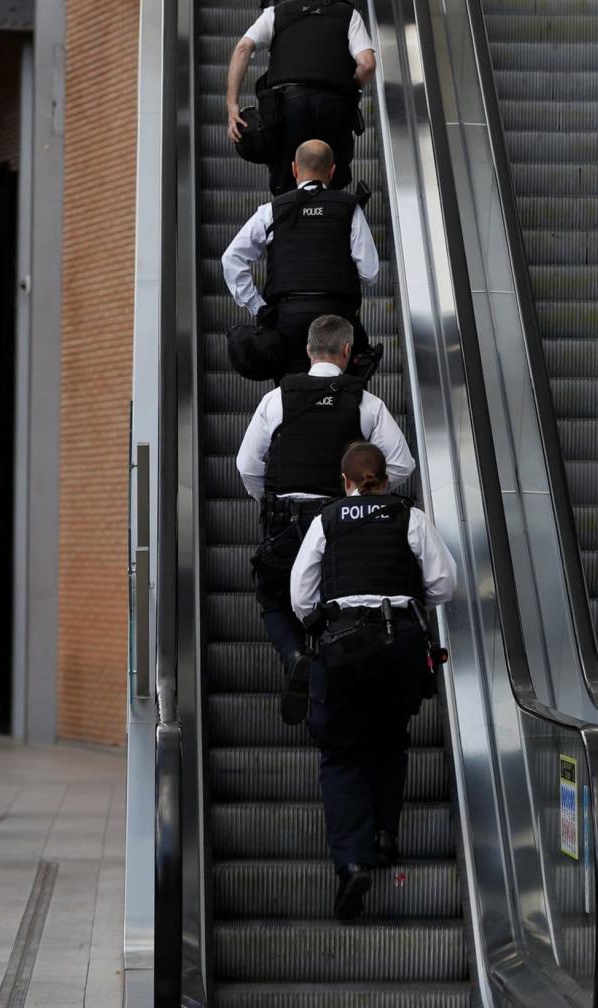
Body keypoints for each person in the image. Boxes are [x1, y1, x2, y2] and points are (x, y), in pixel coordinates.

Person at [290, 440, 456, 921]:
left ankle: (352, 861)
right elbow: (445, 585)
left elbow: (302, 597)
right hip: (400, 643)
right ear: (386, 478)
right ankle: (385, 836)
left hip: (343, 648)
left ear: (345, 481)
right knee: (390, 741)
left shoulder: (327, 521)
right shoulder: (411, 517)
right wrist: (404, 596)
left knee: (342, 756)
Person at [236, 316, 416, 726]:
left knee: (275, 597)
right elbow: (402, 464)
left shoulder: (277, 400)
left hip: (285, 524)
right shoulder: (366, 403)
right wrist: (361, 498)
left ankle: (295, 655)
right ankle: (335, 692)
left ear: (308, 350)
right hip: (343, 526)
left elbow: (246, 465)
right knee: (340, 605)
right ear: (348, 352)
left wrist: (270, 501)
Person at [221, 137, 382, 377]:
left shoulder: (270, 211)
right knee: (344, 391)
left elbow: (231, 259)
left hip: (287, 319)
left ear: (295, 168)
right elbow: (370, 273)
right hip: (337, 318)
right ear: (333, 170)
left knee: (292, 394)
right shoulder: (349, 208)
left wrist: (259, 307)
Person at [226, 0, 376, 195]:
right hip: (333, 107)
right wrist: (351, 87)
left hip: (287, 108)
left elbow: (243, 48)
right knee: (331, 177)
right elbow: (367, 64)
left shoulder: (276, 12)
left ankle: (290, 222)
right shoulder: (349, 14)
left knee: (286, 181)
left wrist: (232, 105)